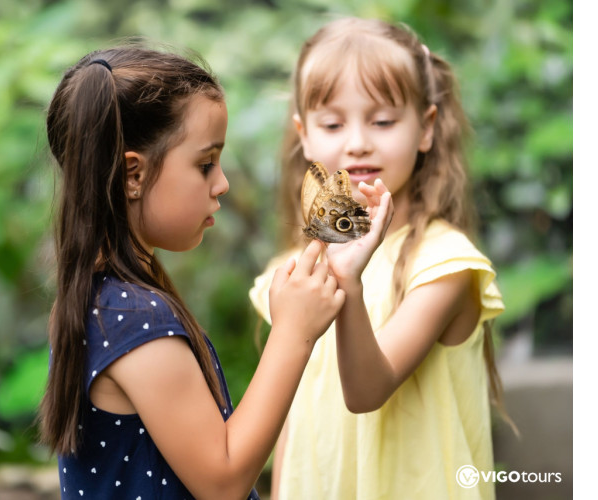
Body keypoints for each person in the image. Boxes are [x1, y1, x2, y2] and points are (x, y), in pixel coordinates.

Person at [37, 44, 348, 500]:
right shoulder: (130, 316)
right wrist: (294, 331)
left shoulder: (106, 298)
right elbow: (223, 480)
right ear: (133, 175)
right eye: (205, 164)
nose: (221, 183)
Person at [249, 17, 513, 499]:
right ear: (304, 134)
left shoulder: (444, 264)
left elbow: (366, 392)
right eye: (332, 123)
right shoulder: (293, 273)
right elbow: (292, 419)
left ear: (426, 128)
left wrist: (348, 282)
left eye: (383, 120)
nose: (357, 142)